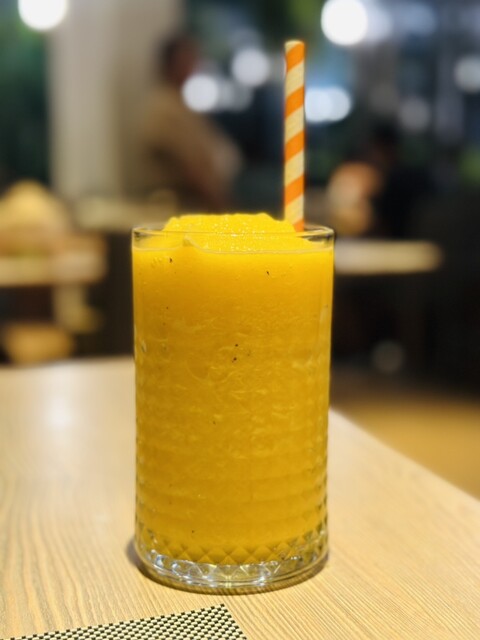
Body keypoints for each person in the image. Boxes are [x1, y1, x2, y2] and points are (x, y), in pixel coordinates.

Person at [139, 33, 241, 210]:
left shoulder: (182, 104)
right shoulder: (163, 107)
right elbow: (189, 167)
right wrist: (218, 200)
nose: (192, 66)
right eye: (186, 60)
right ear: (170, 64)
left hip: (198, 201)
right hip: (180, 204)